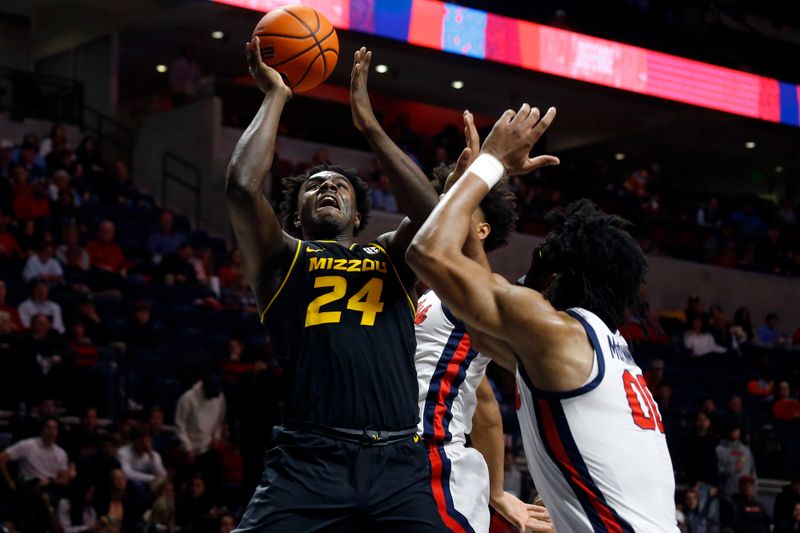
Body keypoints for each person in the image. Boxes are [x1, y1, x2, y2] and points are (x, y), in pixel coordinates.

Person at [406, 104, 678, 531]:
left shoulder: (555, 334)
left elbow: (426, 253)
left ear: (557, 275)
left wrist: (490, 163)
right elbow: (477, 324)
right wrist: (465, 186)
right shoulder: (600, 350)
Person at [225, 44, 445, 530]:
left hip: (397, 463)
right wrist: (276, 96)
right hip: (310, 458)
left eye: (340, 186)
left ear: (360, 216)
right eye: (314, 185)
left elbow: (434, 215)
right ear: (295, 214)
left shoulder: (389, 255)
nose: (328, 188)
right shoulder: (282, 256)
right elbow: (242, 186)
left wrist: (369, 127)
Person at [413, 120, 550, 531]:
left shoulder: (483, 289)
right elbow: (485, 405)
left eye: (459, 203)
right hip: (399, 454)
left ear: (482, 229)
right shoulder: (428, 294)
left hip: (432, 456)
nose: (446, 209)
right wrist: (495, 492)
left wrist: (491, 165)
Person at [0, 416, 74, 490]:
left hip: (50, 487)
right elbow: (1, 458)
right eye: (48, 427)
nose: (51, 431)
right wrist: (10, 482)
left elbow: (64, 479)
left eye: (55, 428)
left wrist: (54, 482)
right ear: (42, 429)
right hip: (28, 487)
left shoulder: (61, 453)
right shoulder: (27, 445)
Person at [716, 425, 756, 498]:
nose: (734, 432)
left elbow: (752, 471)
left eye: (736, 430)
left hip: (745, 494)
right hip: (727, 493)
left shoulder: (746, 450)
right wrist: (733, 469)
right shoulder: (719, 450)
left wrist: (755, 488)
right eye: (731, 430)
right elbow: (717, 473)